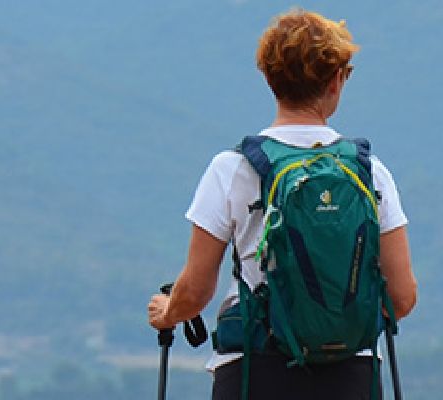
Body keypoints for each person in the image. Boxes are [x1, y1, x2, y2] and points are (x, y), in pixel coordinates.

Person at [146, 8, 418, 400]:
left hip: (254, 370)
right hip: (350, 374)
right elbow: (402, 297)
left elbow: (195, 293)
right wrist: (334, 321)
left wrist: (169, 311)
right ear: (337, 80)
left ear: (268, 77)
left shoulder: (233, 169)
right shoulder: (369, 172)